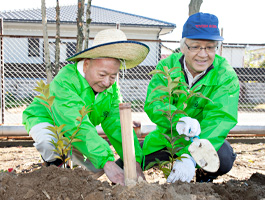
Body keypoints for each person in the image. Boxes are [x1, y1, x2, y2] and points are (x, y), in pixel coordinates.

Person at [22, 29, 150, 186]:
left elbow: (117, 124)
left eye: (112, 76)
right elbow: (74, 122)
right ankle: (52, 170)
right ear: (87, 64)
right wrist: (107, 162)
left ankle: (69, 170)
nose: (106, 82)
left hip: (77, 133)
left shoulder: (111, 89)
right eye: (102, 75)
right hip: (45, 118)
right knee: (50, 145)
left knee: (86, 170)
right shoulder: (66, 80)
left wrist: (134, 162)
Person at [143, 12, 240, 183]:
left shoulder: (225, 75)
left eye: (210, 47)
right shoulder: (167, 67)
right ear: (183, 46)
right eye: (195, 46)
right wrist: (178, 120)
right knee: (129, 162)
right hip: (169, 136)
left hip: (203, 138)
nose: (203, 54)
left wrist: (191, 157)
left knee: (223, 158)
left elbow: (220, 119)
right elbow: (155, 102)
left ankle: (204, 175)